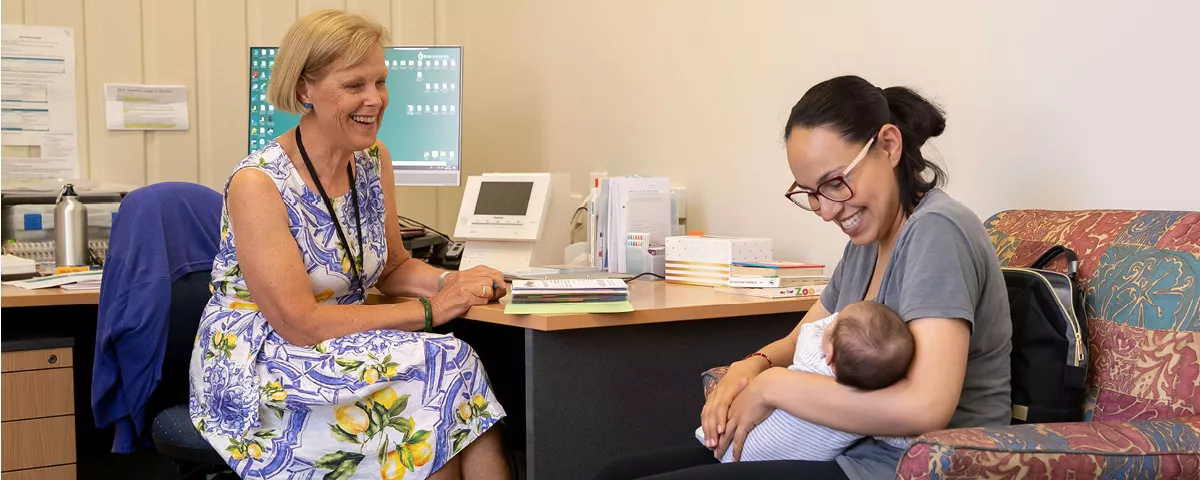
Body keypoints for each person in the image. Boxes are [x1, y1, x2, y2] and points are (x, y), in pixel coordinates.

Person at [594, 75, 1012, 480]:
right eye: (811, 192)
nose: (827, 210)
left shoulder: (938, 231)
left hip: (903, 466)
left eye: (834, 183)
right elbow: (799, 340)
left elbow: (925, 407)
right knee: (618, 473)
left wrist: (774, 387)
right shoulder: (868, 242)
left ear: (888, 145)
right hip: (846, 450)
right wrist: (752, 365)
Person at [188, 10, 512, 480]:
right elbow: (300, 322)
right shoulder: (257, 183)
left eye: (380, 82)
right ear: (305, 90)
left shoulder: (372, 159)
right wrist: (432, 310)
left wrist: (456, 281)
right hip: (262, 361)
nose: (375, 99)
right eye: (354, 85)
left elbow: (392, 267)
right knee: (439, 365)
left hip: (342, 342)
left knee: (450, 366)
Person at [694, 301, 915, 463]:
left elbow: (808, 330)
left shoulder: (811, 359)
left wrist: (838, 319)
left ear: (829, 354)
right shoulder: (862, 417)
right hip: (791, 464)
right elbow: (903, 439)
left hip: (742, 449)